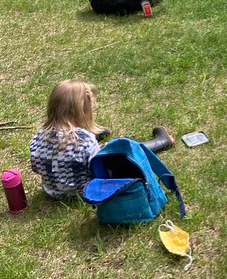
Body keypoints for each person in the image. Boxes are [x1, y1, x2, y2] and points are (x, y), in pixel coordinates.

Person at [29, 80, 176, 200]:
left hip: (52, 192)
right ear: (82, 111)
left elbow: (36, 168)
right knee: (123, 150)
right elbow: (98, 169)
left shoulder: (38, 137)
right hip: (85, 190)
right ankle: (163, 141)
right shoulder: (85, 140)